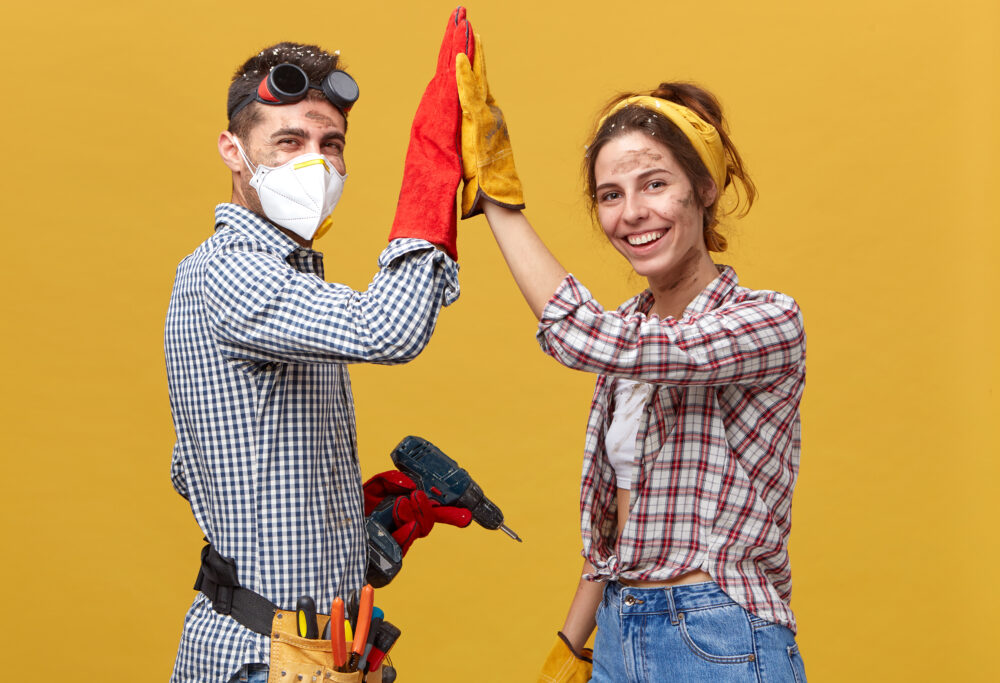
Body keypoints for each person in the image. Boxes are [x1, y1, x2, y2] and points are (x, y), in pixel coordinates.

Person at [455, 36, 808, 682]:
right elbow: (619, 535)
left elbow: (584, 336)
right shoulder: (628, 327)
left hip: (716, 636)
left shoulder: (768, 322)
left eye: (655, 184)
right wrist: (570, 648)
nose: (632, 213)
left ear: (704, 189)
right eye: (610, 195)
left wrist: (500, 203)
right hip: (620, 630)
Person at [165, 11, 474, 683]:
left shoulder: (277, 278)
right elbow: (389, 329)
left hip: (311, 648)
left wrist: (349, 525)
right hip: (261, 659)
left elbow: (196, 467)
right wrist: (434, 170)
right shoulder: (233, 271)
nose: (316, 161)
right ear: (233, 150)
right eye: (289, 141)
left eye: (331, 143)